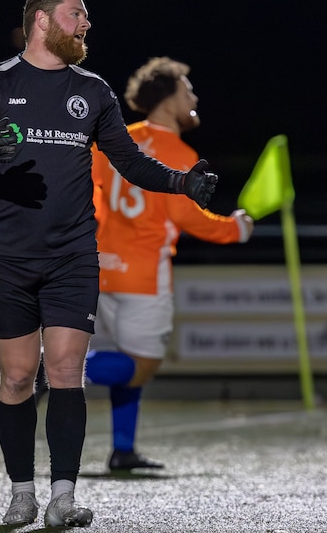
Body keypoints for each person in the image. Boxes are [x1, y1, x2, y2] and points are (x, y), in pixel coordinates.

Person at [0, 0, 217, 528]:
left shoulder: (93, 91)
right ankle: (21, 493)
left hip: (73, 254)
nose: (86, 23)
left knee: (67, 369)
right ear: (43, 21)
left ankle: (62, 499)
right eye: (77, 14)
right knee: (20, 377)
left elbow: (129, 161)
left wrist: (181, 183)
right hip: (8, 254)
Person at [86, 56, 253, 474]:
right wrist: (237, 228)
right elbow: (189, 217)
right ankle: (54, 369)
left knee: (120, 363)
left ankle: (122, 449)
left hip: (101, 267)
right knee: (144, 363)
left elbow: (86, 196)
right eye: (186, 90)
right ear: (166, 99)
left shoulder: (114, 138)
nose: (194, 97)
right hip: (144, 275)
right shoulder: (179, 152)